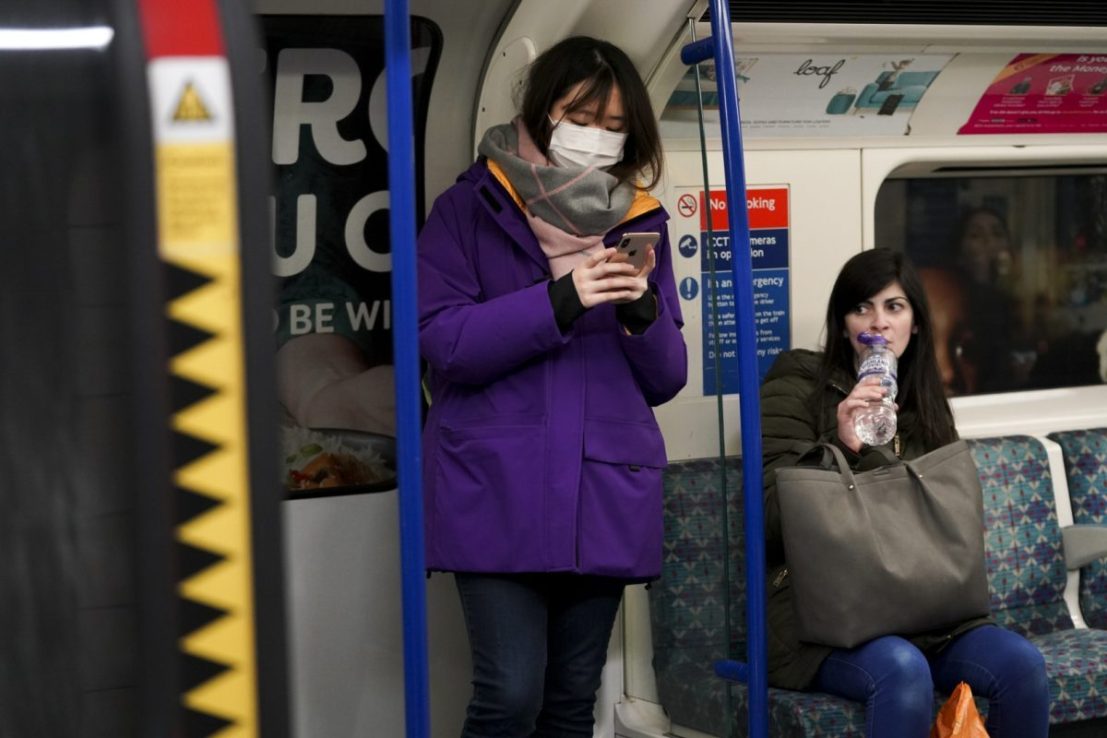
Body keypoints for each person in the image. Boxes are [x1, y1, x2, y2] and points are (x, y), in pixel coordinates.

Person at [417, 36, 687, 737]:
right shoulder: (468, 208)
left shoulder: (641, 220)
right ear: (542, 111)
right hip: (495, 489)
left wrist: (640, 308)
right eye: (581, 115)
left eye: (615, 125)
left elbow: (666, 378)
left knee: (571, 701)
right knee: (507, 695)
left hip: (601, 487)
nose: (596, 137)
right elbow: (444, 345)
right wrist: (561, 300)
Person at [760, 249, 1049, 737]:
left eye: (894, 307)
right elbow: (769, 519)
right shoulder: (795, 383)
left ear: (915, 323)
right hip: (826, 617)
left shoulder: (926, 402)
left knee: (1021, 666)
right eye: (862, 308)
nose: (879, 323)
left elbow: (949, 520)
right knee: (902, 669)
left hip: (925, 609)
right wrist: (842, 444)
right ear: (843, 323)